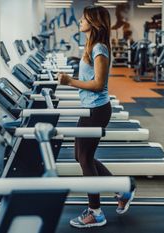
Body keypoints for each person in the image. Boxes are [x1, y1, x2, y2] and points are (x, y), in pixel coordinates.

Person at [57, 5, 136, 228]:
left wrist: (70, 81)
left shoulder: (99, 48)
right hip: (91, 108)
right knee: (81, 156)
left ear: (94, 23)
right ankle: (122, 189)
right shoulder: (92, 45)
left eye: (84, 18)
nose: (80, 21)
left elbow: (99, 84)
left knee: (84, 159)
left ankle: (96, 212)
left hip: (96, 110)